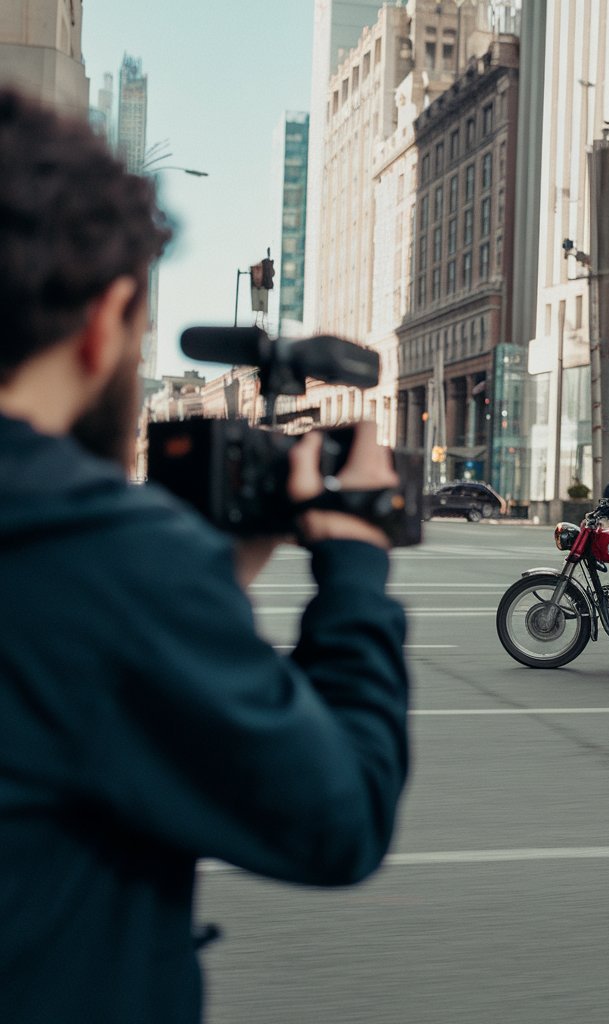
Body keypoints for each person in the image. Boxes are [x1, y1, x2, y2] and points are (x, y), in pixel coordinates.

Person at [0, 89, 409, 1023]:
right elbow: (338, 818)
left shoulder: (111, 569)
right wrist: (351, 567)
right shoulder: (100, 558)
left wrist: (207, 573)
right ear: (105, 321)